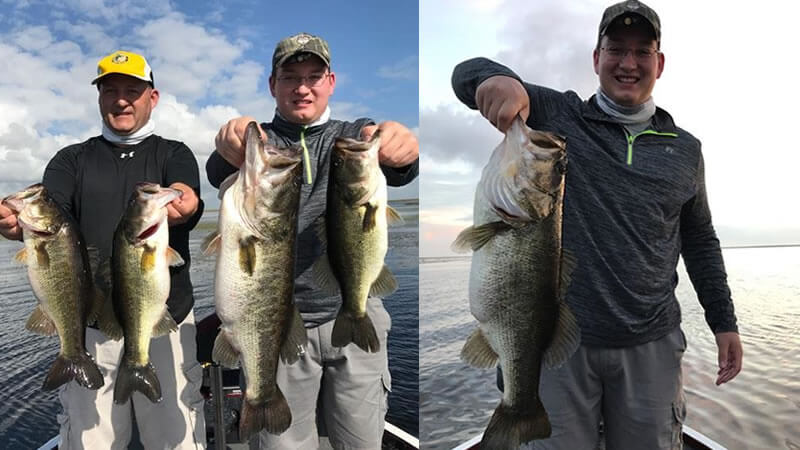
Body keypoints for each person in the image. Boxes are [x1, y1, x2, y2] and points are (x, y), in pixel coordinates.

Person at [451, 1, 742, 449]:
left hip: (653, 342)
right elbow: (465, 74)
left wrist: (724, 322)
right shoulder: (560, 115)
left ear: (659, 63)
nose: (628, 63)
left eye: (642, 52)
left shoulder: (686, 149)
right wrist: (496, 79)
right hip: (556, 343)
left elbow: (700, 239)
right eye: (615, 50)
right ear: (596, 58)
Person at [206, 32, 419, 449]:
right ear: (273, 86)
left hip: (354, 310)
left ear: (331, 82)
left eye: (313, 76)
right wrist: (229, 141)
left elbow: (399, 167)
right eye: (290, 78)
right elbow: (220, 167)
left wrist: (402, 145)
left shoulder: (353, 136)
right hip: (278, 322)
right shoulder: (260, 143)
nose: (302, 88)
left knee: (361, 441)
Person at [0, 50, 206, 449]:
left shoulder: (174, 152)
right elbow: (47, 215)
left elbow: (184, 192)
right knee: (90, 439)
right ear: (99, 98)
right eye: (110, 90)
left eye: (132, 89)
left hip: (164, 320)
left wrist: (184, 199)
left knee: (173, 437)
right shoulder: (70, 160)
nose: (121, 99)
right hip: (89, 323)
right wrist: (13, 223)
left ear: (153, 97)